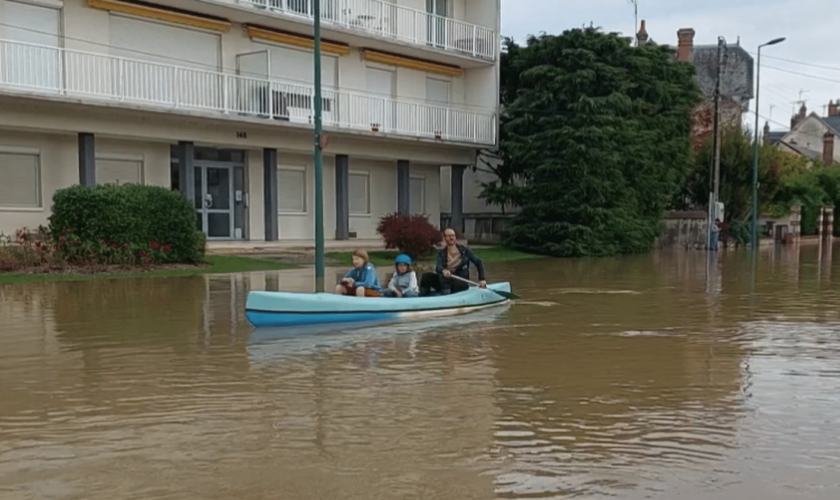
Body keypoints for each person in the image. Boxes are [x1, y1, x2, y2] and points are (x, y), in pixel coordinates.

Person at [419, 227, 487, 296]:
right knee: (426, 276)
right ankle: (422, 298)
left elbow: (478, 262)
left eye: (453, 235)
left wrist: (482, 279)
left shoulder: (464, 250)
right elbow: (438, 267)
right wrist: (444, 271)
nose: (451, 238)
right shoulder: (441, 253)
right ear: (445, 238)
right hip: (445, 279)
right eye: (448, 236)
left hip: (460, 281)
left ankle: (446, 298)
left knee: (445, 278)